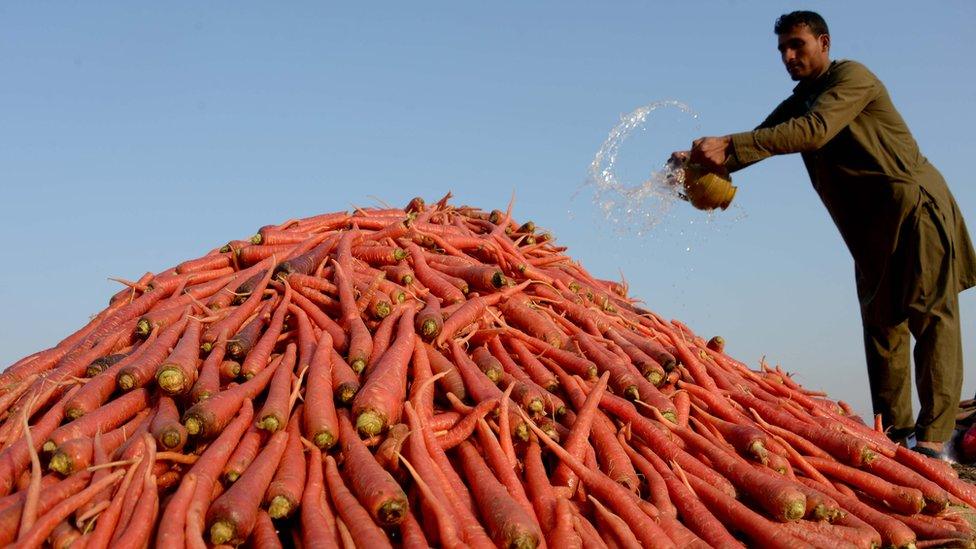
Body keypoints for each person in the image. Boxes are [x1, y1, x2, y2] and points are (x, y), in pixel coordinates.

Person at [675, 10, 976, 460]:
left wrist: (730, 145)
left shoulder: (852, 78)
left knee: (930, 317)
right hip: (868, 231)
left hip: (912, 207)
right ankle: (895, 438)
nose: (789, 56)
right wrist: (697, 165)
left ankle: (935, 441)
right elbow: (764, 139)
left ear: (824, 43)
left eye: (797, 45)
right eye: (782, 50)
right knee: (882, 330)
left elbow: (812, 132)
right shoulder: (801, 100)